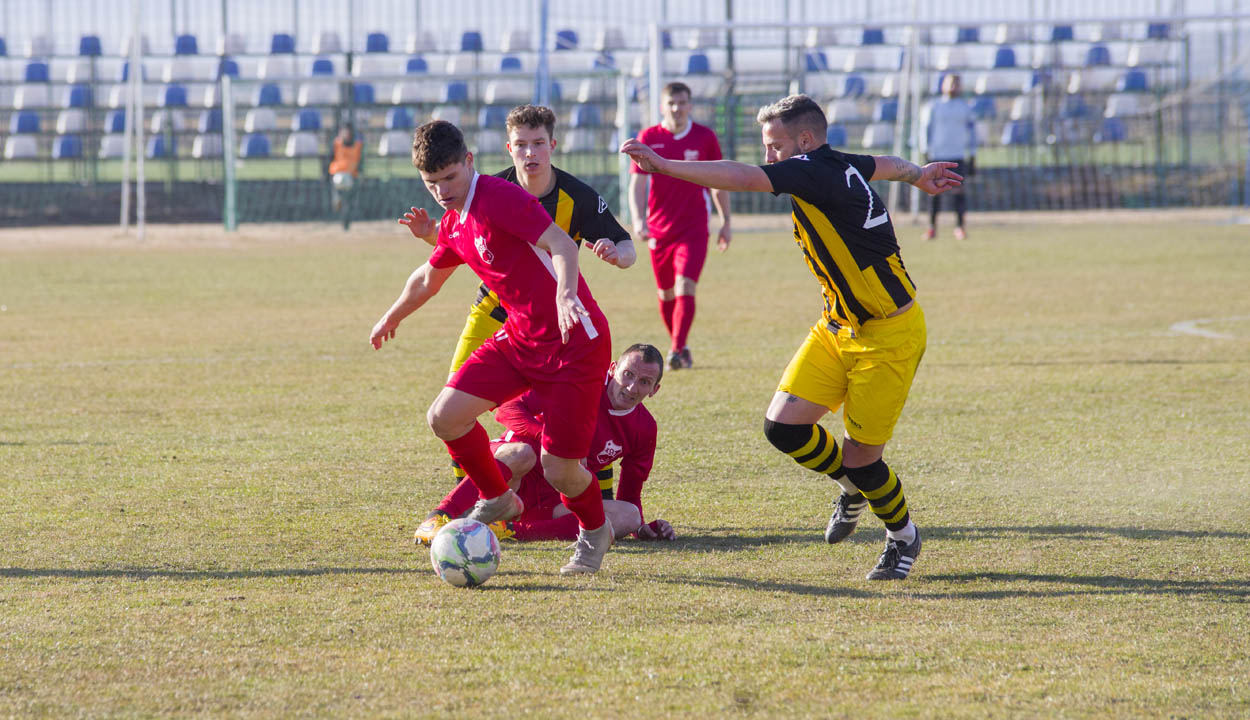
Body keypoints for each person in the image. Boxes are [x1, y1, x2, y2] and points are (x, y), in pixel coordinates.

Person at [621, 94, 962, 580]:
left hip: (888, 334)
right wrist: (917, 174)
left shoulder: (813, 170)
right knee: (783, 428)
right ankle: (850, 487)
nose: (768, 157)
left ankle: (903, 537)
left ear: (804, 141)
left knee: (866, 459)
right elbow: (882, 164)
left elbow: (742, 178)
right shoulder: (836, 161)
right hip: (836, 325)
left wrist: (664, 166)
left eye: (774, 145)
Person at [371, 120, 615, 575]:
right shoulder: (454, 220)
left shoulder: (499, 198)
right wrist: (393, 315)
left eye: (450, 178)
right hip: (521, 339)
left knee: (561, 471)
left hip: (574, 345)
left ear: (469, 162)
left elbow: (561, 244)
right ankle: (499, 497)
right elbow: (428, 276)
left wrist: (566, 293)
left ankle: (595, 532)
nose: (442, 191)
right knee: (444, 417)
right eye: (431, 183)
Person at [420, 104, 635, 486]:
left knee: (571, 419)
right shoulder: (488, 187)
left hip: (554, 315)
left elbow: (626, 246)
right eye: (521, 145)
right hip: (493, 310)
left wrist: (618, 256)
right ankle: (469, 497)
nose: (530, 153)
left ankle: (587, 497)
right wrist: (429, 234)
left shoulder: (577, 196)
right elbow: (460, 238)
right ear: (509, 149)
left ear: (553, 145)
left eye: (538, 143)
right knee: (453, 403)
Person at [415, 344, 675, 545]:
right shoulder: (579, 383)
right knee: (522, 453)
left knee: (628, 514)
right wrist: (551, 442)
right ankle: (439, 516)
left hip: (555, 498)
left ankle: (508, 531)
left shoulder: (644, 428)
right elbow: (507, 408)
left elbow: (630, 494)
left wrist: (642, 528)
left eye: (644, 382)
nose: (631, 387)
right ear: (612, 369)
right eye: (627, 374)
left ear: (655, 389)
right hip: (512, 476)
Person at [628, 81, 732, 370]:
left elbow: (719, 181)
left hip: (694, 228)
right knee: (666, 294)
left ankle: (674, 349)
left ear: (690, 105)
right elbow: (637, 184)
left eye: (682, 102)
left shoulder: (704, 137)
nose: (677, 108)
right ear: (663, 106)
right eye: (671, 103)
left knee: (685, 284)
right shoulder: (649, 137)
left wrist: (726, 221)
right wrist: (638, 220)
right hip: (659, 230)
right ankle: (682, 346)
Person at [919, 73, 976, 240]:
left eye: (956, 84)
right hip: (937, 155)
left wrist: (972, 155)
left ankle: (959, 227)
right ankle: (931, 228)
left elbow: (972, 133)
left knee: (958, 192)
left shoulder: (965, 108)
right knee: (933, 192)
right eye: (950, 83)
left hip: (957, 155)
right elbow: (925, 129)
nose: (953, 87)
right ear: (943, 85)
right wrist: (925, 151)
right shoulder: (933, 106)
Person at [329, 122, 362, 213]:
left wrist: (360, 172)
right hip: (337, 173)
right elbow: (330, 158)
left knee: (351, 191)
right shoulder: (336, 143)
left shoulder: (357, 145)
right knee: (337, 185)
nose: (346, 134)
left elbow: (360, 161)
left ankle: (351, 205)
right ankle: (338, 201)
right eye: (344, 132)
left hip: (351, 174)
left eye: (348, 132)